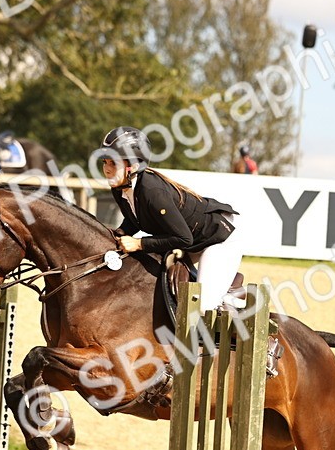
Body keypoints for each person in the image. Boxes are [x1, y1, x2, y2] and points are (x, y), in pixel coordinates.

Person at [100, 126, 242, 312]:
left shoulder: (152, 192)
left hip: (218, 238)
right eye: (105, 162)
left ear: (132, 166)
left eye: (113, 163)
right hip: (190, 238)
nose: (107, 169)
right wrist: (112, 236)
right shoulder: (121, 187)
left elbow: (184, 238)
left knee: (200, 306)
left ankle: (229, 297)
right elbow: (133, 221)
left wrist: (139, 244)